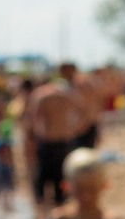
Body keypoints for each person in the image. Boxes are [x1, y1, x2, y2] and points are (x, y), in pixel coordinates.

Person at [29, 73, 87, 208]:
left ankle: (44, 217)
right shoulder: (65, 94)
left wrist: (34, 137)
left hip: (47, 141)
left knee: (42, 180)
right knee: (60, 179)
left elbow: (33, 120)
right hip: (64, 140)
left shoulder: (40, 95)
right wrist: (75, 128)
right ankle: (59, 210)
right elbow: (83, 110)